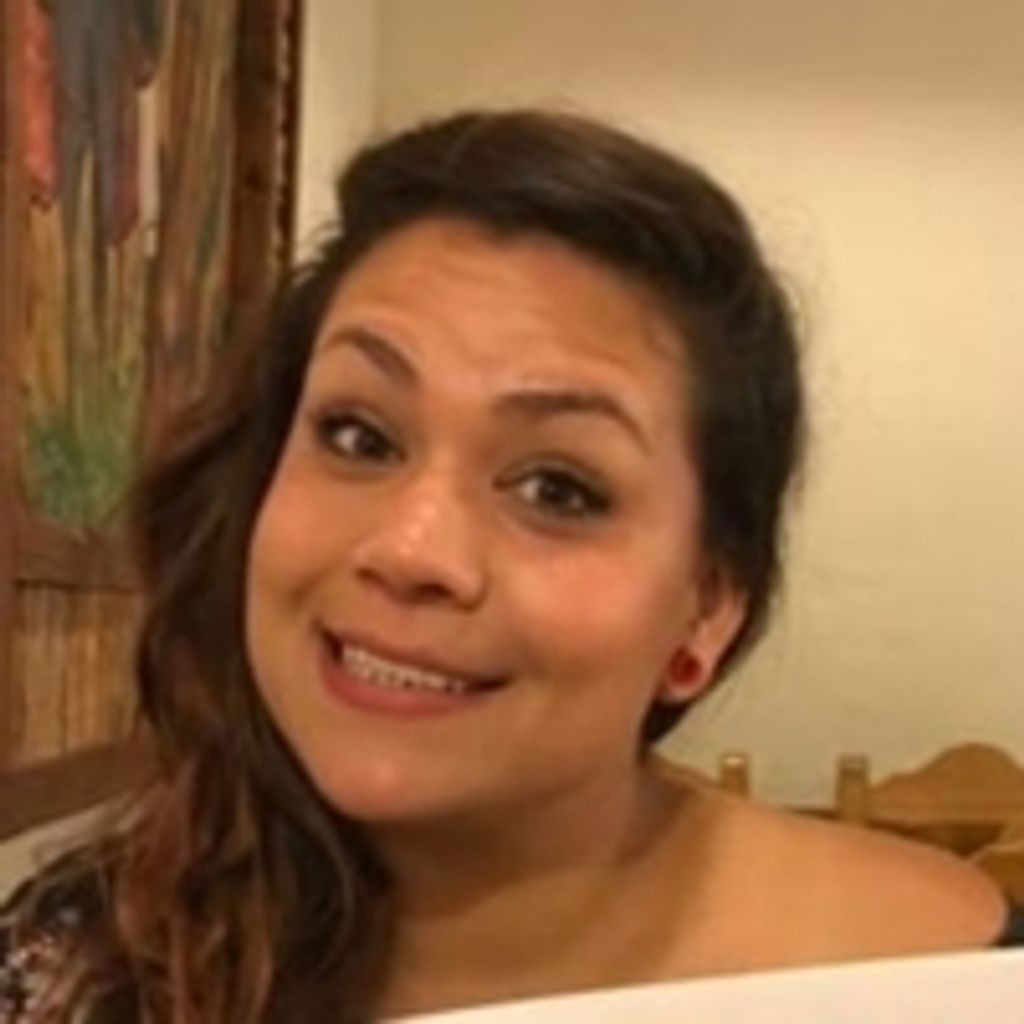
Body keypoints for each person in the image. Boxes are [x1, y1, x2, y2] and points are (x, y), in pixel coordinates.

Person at [1, 109, 1021, 1023]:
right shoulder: (86, 959)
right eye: (358, 435)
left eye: (558, 490)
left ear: (704, 611)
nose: (412, 551)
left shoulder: (940, 985)